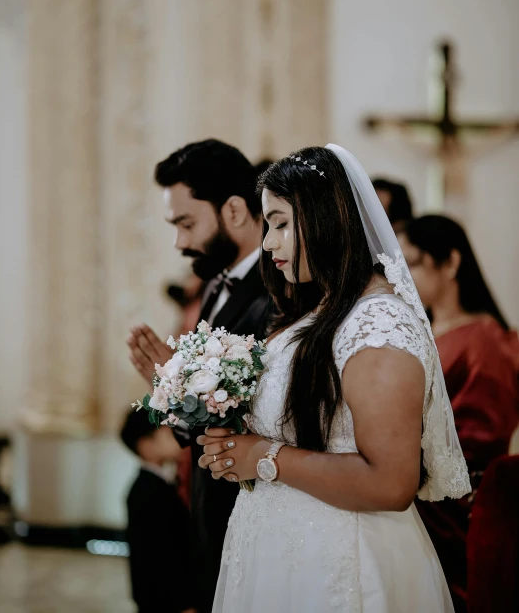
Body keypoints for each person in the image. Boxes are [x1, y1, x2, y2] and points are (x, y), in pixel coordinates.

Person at [198, 145, 470, 613]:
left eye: (281, 223)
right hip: (279, 551)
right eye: (268, 226)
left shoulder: (379, 326)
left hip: (342, 561)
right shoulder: (321, 310)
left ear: (327, 219)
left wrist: (265, 457)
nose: (268, 243)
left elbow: (390, 482)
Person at [127, 139, 270, 613]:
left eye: (186, 223)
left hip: (255, 508)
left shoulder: (278, 294)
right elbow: (210, 414)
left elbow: (262, 415)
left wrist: (176, 386)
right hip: (213, 506)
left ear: (233, 209)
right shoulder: (216, 285)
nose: (180, 242)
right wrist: (170, 388)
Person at [398, 214, 519, 612]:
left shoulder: (483, 338)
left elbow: (483, 436)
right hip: (409, 488)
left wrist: (402, 464)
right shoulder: (417, 329)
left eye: (414, 262)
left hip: (449, 502)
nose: (405, 274)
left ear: (450, 262)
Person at [120, 409, 195, 613]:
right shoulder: (148, 491)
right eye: (169, 434)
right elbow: (158, 556)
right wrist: (183, 603)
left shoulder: (159, 484)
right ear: (146, 445)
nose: (178, 439)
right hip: (163, 601)